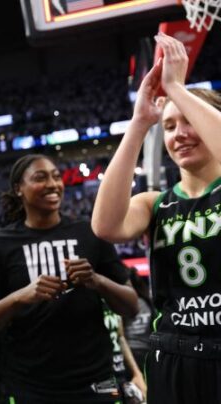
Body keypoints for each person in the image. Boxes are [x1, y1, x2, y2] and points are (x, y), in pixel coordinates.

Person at [92, 32, 221, 404]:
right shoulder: (155, 203)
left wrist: (178, 90)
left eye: (188, 122)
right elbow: (105, 226)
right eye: (168, 126)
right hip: (175, 355)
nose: (179, 134)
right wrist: (139, 123)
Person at [0, 153, 138, 404]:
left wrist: (96, 280)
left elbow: (131, 306)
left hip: (97, 381)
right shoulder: (0, 245)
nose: (53, 184)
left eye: (55, 176)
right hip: (30, 386)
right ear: (19, 189)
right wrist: (21, 297)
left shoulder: (90, 231)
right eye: (40, 178)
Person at [122, 267, 154, 372]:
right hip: (147, 350)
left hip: (130, 353)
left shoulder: (122, 304)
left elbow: (121, 335)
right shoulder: (148, 302)